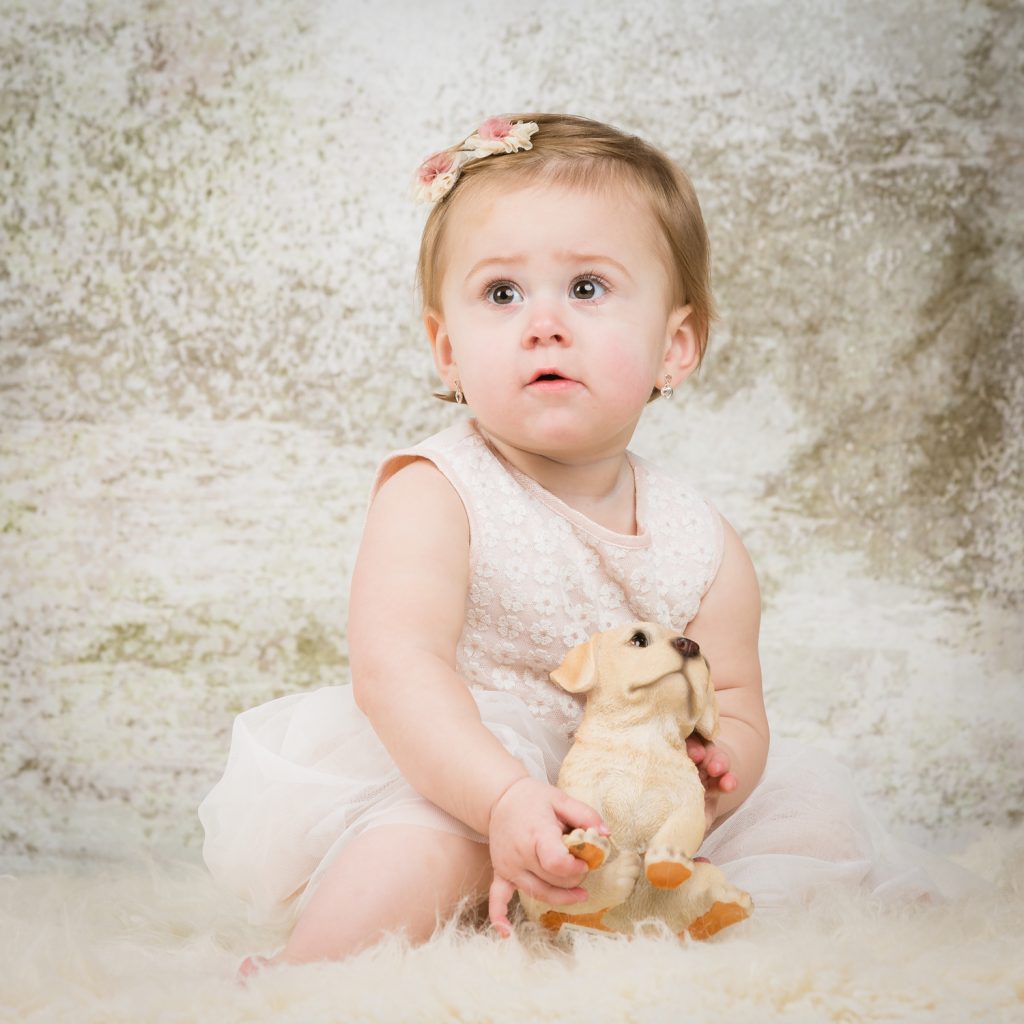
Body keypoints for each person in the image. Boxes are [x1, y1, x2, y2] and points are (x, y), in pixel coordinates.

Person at [199, 113, 962, 971]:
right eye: (502, 294)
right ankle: (308, 971)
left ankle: (691, 929)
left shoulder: (702, 541)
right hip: (472, 769)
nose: (544, 324)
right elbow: (396, 670)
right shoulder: (435, 492)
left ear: (675, 347)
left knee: (810, 821)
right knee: (429, 839)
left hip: (634, 800)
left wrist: (716, 775)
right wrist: (504, 799)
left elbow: (736, 694)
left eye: (588, 289)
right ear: (446, 351)